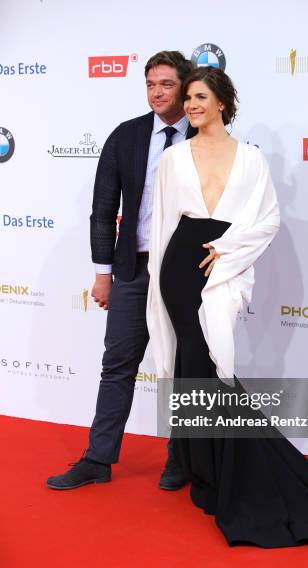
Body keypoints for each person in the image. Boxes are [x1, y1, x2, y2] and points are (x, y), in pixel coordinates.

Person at [147, 66, 308, 548]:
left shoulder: (250, 160)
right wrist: (158, 279)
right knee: (190, 364)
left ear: (222, 102)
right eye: (188, 99)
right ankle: (199, 471)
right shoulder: (173, 157)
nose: (191, 106)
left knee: (214, 365)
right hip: (180, 266)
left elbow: (267, 221)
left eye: (200, 97)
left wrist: (229, 249)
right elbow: (164, 222)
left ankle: (224, 473)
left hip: (222, 263)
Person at [46, 51, 196, 491]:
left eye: (166, 84)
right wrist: (103, 272)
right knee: (117, 365)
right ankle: (98, 458)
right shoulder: (126, 136)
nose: (156, 93)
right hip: (132, 269)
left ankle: (180, 461)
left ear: (185, 87)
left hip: (183, 274)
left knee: (181, 368)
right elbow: (102, 209)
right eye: (150, 85)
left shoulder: (206, 139)